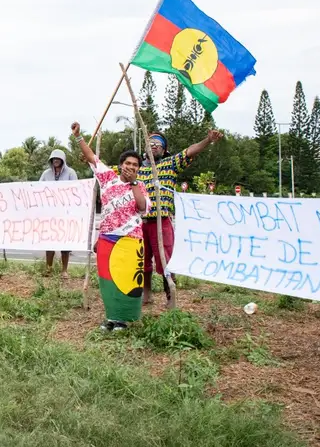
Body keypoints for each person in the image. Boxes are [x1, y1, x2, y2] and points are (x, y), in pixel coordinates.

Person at [72, 122, 150, 331]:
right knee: (108, 280)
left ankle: (125, 319)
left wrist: (134, 184)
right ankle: (111, 317)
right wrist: (79, 137)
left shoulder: (140, 186)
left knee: (127, 280)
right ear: (121, 165)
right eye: (128, 163)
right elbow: (92, 158)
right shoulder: (108, 178)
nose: (131, 167)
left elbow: (142, 208)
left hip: (130, 241)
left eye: (135, 165)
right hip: (107, 239)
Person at [136, 130, 223, 304]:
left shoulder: (170, 164)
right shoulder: (137, 167)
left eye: (157, 145)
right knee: (142, 260)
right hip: (140, 222)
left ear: (164, 149)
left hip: (162, 221)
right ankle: (146, 294)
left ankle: (170, 295)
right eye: (150, 144)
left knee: (166, 260)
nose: (153, 147)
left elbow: (190, 151)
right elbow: (110, 171)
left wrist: (207, 140)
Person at [38, 148, 78, 278]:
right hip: (50, 214)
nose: (55, 160)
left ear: (63, 160)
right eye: (53, 159)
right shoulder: (46, 174)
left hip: (65, 214)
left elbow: (76, 190)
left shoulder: (71, 173)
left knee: (65, 243)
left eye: (58, 158)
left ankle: (64, 270)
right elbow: (38, 189)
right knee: (49, 242)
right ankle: (48, 269)